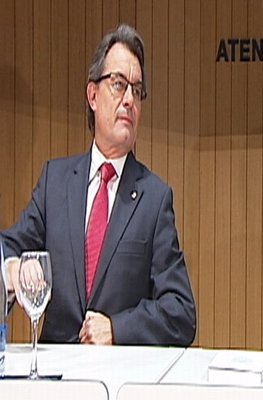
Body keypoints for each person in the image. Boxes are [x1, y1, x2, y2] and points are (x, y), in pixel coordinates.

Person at [1, 24, 196, 346]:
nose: (129, 99)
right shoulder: (55, 183)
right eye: (118, 84)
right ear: (92, 95)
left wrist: (118, 329)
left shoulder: (154, 198)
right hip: (55, 372)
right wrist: (11, 269)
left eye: (137, 90)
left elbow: (181, 312)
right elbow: (8, 247)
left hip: (119, 373)